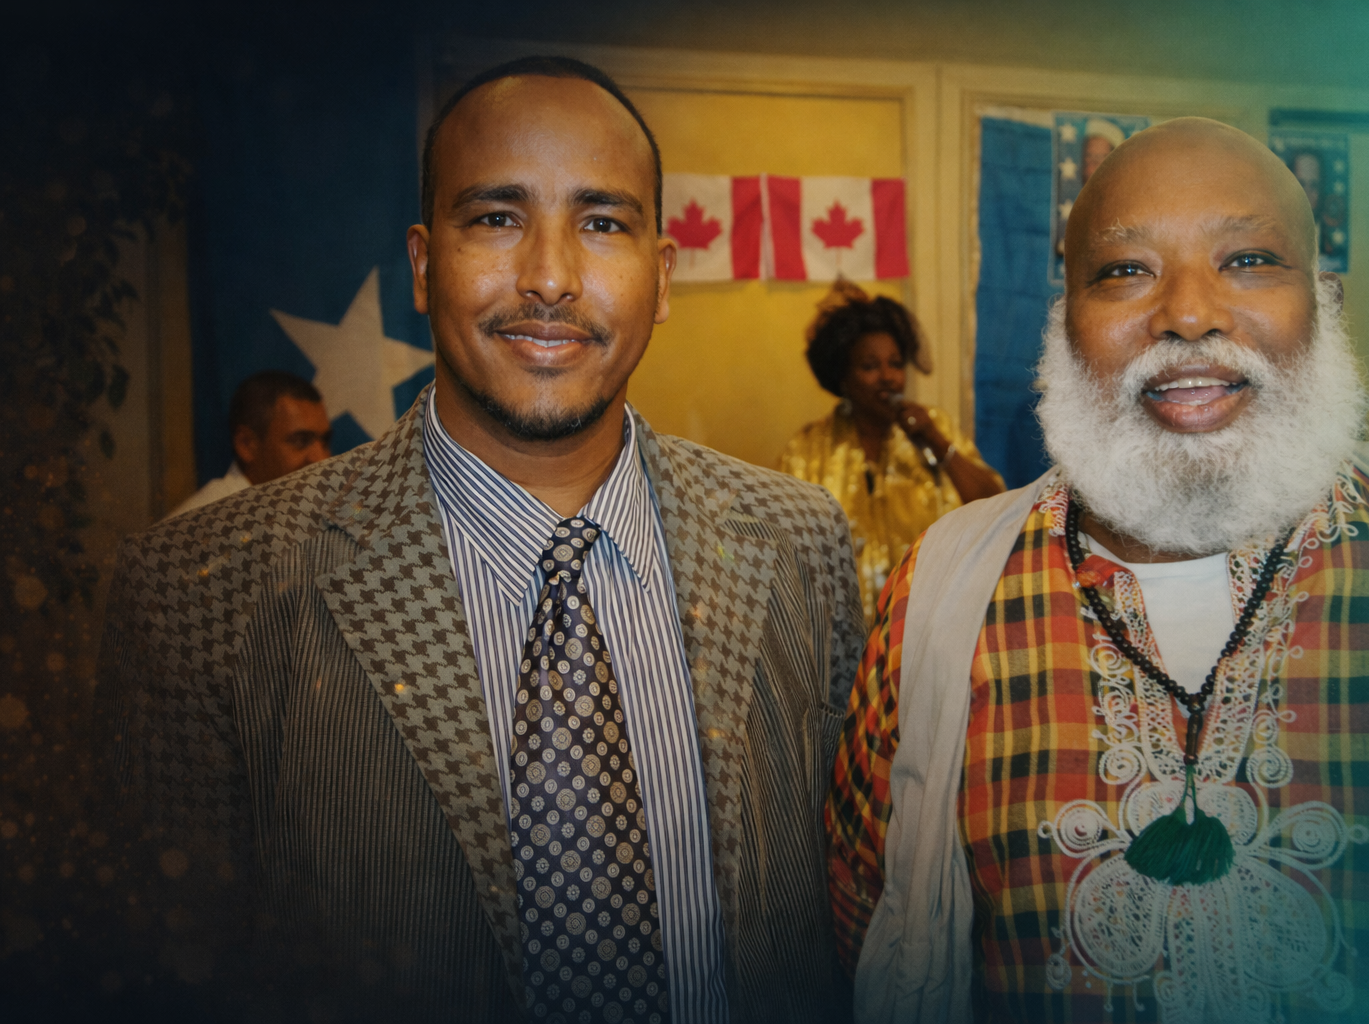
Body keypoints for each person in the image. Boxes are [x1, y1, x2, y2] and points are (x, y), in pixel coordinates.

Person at [97, 56, 863, 1024]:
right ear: (423, 264)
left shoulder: (798, 546)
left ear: (661, 276)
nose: (549, 276)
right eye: (497, 218)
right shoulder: (201, 594)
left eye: (602, 222)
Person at [828, 117, 1369, 1023]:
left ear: (1326, 302)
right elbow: (866, 918)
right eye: (1127, 271)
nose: (1189, 314)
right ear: (1064, 324)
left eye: (1247, 260)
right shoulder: (939, 597)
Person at [779, 282, 1003, 623]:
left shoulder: (936, 427)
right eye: (869, 366)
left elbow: (994, 507)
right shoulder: (807, 450)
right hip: (841, 637)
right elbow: (782, 551)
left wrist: (936, 442)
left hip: (930, 626)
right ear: (843, 378)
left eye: (896, 364)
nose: (888, 378)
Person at [165, 369, 331, 517]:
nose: (321, 459)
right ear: (246, 445)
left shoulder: (294, 511)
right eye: (300, 441)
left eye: (325, 442)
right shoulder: (204, 524)